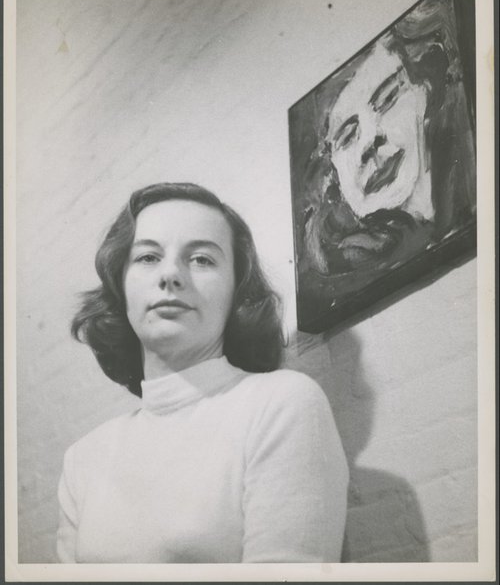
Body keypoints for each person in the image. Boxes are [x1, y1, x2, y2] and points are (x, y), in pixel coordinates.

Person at [57, 182, 349, 563]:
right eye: (147, 257)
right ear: (120, 285)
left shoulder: (281, 404)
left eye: (202, 260)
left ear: (236, 291)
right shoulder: (84, 458)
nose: (171, 275)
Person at [302, 0, 476, 276]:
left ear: (426, 92)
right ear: (332, 174)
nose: (370, 141)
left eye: (389, 98)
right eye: (347, 137)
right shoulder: (343, 272)